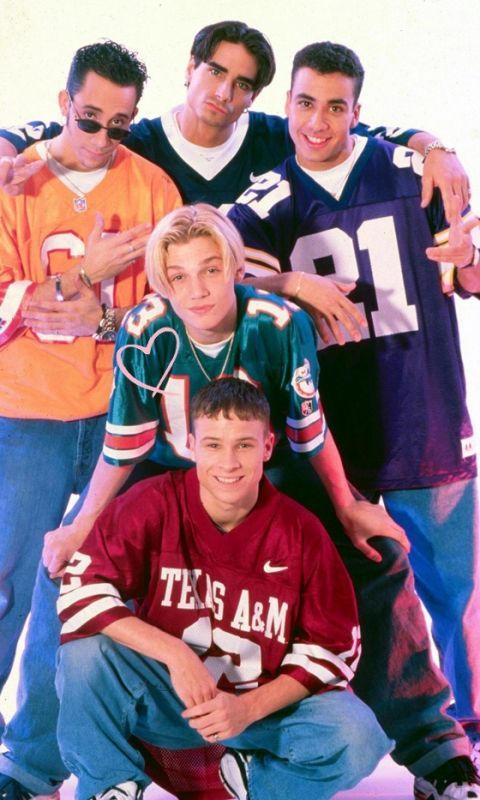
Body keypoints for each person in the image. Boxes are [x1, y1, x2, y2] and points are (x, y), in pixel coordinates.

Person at [0, 202, 403, 800]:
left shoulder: (275, 321)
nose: (197, 289)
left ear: (234, 267)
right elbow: (123, 443)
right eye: (180, 275)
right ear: (163, 280)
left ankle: (429, 743)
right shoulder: (145, 327)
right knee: (65, 569)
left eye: (211, 270)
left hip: (268, 466)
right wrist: (80, 524)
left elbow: (308, 431)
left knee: (377, 558)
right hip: (165, 472)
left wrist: (346, 505)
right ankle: (35, 762)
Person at [227, 40, 480, 799]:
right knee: (361, 612)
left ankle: (464, 753)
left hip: (426, 423)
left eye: (335, 105)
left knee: (459, 600)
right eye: (304, 103)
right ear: (288, 106)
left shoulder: (412, 172)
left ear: (358, 112)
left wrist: (469, 248)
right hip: (334, 443)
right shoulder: (270, 197)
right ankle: (390, 745)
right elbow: (219, 255)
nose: (317, 120)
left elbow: (469, 269)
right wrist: (294, 281)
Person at [54, 376, 392, 800]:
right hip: (169, 703)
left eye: (244, 445)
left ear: (268, 447)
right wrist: (175, 655)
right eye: (213, 444)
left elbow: (335, 650)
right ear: (190, 446)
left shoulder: (301, 532)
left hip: (260, 716)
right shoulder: (153, 502)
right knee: (86, 652)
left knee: (358, 735)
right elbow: (79, 591)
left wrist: (247, 709)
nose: (228, 462)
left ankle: (258, 786)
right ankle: (110, 787)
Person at [0, 37, 181, 794]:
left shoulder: (153, 189)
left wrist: (83, 310)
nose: (101, 136)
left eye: (119, 123)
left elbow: (166, 316)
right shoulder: (15, 183)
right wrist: (89, 280)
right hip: (27, 413)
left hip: (115, 423)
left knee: (67, 594)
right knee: (7, 583)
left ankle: (31, 765)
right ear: (62, 105)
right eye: (88, 117)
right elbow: (19, 304)